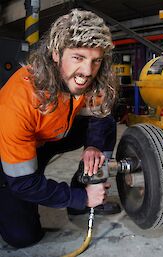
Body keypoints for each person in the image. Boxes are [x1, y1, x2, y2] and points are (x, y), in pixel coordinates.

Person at [0, 9, 121, 248]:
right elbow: (23, 182)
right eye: (78, 57)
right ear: (56, 54)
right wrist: (81, 198)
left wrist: (94, 146)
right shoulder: (18, 100)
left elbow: (99, 114)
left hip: (54, 134)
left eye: (95, 60)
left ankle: (86, 183)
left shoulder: (92, 80)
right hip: (15, 148)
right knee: (22, 236)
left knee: (106, 120)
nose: (87, 71)